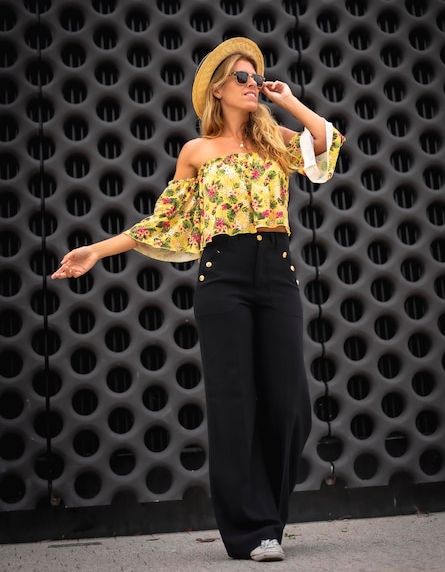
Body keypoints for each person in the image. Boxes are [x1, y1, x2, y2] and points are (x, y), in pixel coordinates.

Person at [52, 37, 345, 562]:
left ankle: (270, 521)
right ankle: (253, 531)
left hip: (278, 273)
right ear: (216, 89)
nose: (252, 84)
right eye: (242, 77)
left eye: (256, 76)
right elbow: (163, 223)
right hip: (223, 278)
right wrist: (96, 250)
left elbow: (325, 146)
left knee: (290, 404)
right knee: (235, 404)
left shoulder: (277, 141)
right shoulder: (197, 151)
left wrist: (287, 99)